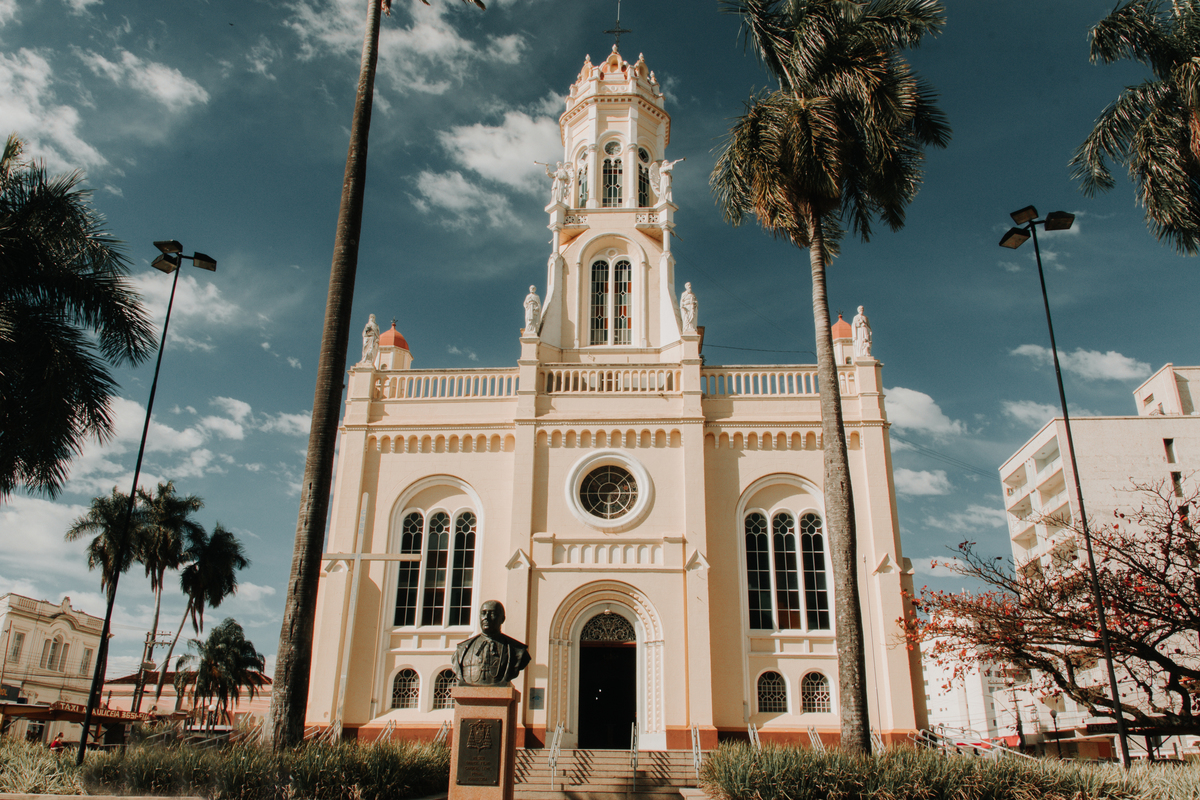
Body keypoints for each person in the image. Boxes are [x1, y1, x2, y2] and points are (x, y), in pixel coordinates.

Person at [452, 601, 531, 687]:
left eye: (492, 613)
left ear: (502, 619)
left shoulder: (517, 650)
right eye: (483, 613)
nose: (486, 617)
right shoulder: (462, 649)